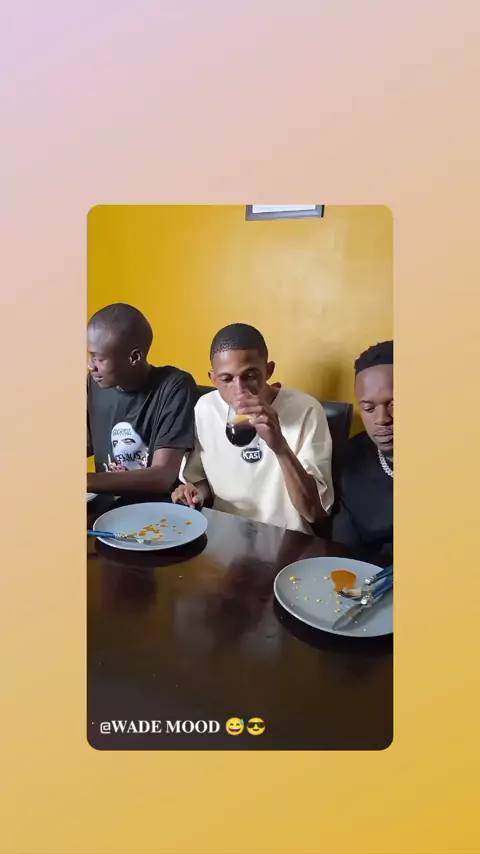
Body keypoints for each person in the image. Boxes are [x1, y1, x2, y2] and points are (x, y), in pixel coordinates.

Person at [172, 323, 333, 534]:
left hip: (287, 539)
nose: (239, 391)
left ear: (269, 370)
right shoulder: (205, 408)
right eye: (227, 379)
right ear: (213, 379)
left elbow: (314, 512)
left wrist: (280, 447)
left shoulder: (306, 409)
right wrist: (194, 494)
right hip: (224, 534)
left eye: (250, 376)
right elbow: (200, 480)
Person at [87, 303, 196, 497]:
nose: (90, 366)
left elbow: (163, 476)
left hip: (153, 510)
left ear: (134, 357)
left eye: (99, 358)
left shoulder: (175, 386)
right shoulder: (94, 383)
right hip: (104, 508)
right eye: (90, 355)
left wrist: (83, 481)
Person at [332, 340, 393, 564]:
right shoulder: (351, 458)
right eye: (369, 408)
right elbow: (343, 551)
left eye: (395, 405)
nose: (382, 419)